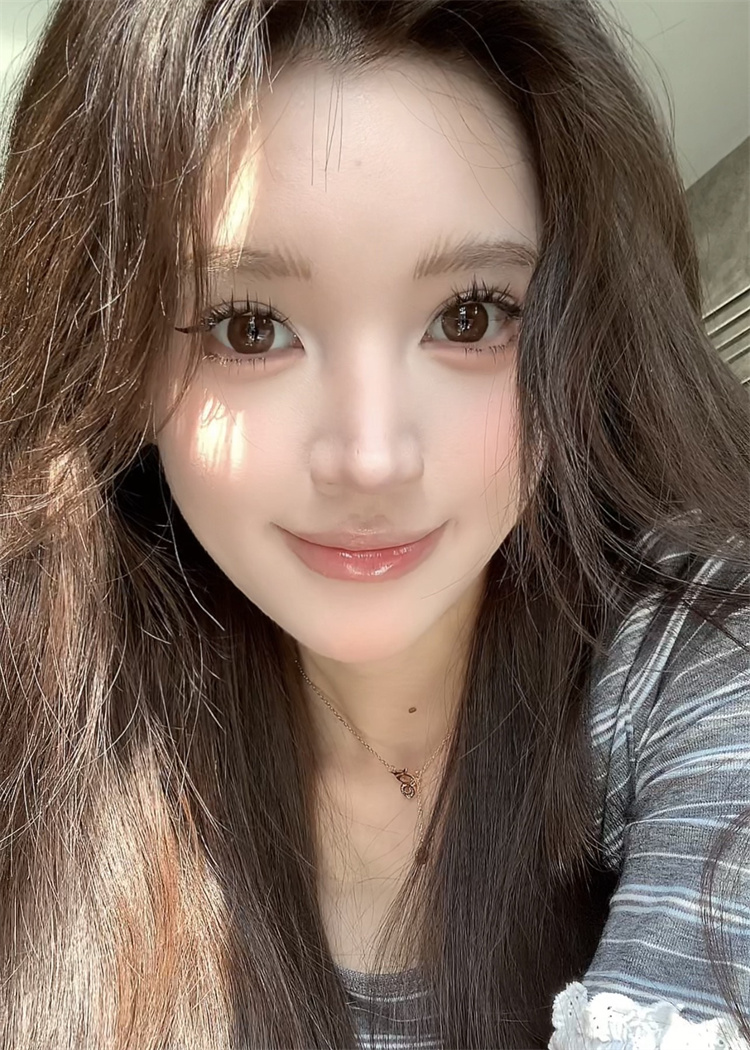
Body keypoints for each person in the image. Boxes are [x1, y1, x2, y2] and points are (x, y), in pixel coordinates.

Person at [0, 0, 747, 1046]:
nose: (371, 458)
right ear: (112, 360)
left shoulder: (697, 655)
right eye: (248, 326)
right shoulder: (44, 729)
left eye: (471, 315)